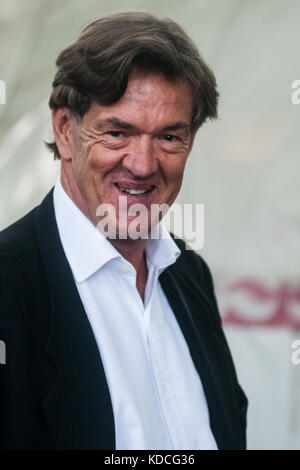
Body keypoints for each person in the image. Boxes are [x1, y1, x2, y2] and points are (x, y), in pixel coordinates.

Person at [0, 12, 247, 450]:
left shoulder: (189, 275)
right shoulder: (9, 284)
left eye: (170, 138)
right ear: (64, 129)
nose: (143, 163)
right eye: (117, 132)